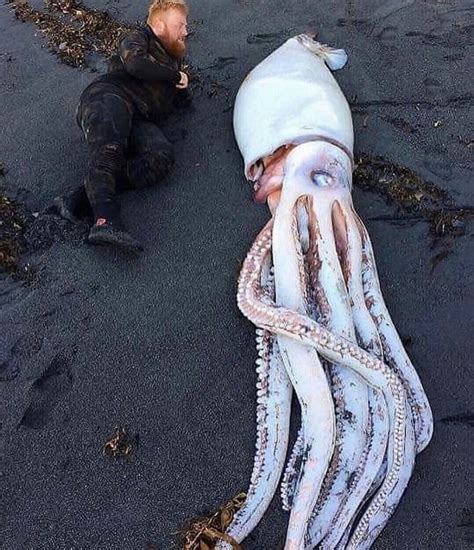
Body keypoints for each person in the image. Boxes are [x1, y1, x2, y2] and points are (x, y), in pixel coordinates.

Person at [54, 0, 191, 251]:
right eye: (179, 25)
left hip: (139, 117)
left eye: (185, 25)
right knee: (110, 151)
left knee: (161, 157)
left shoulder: (172, 62)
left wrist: (182, 88)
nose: (185, 31)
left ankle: (76, 199)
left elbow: (172, 99)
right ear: (159, 26)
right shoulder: (137, 38)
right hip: (108, 98)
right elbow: (136, 64)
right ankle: (106, 220)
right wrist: (174, 77)